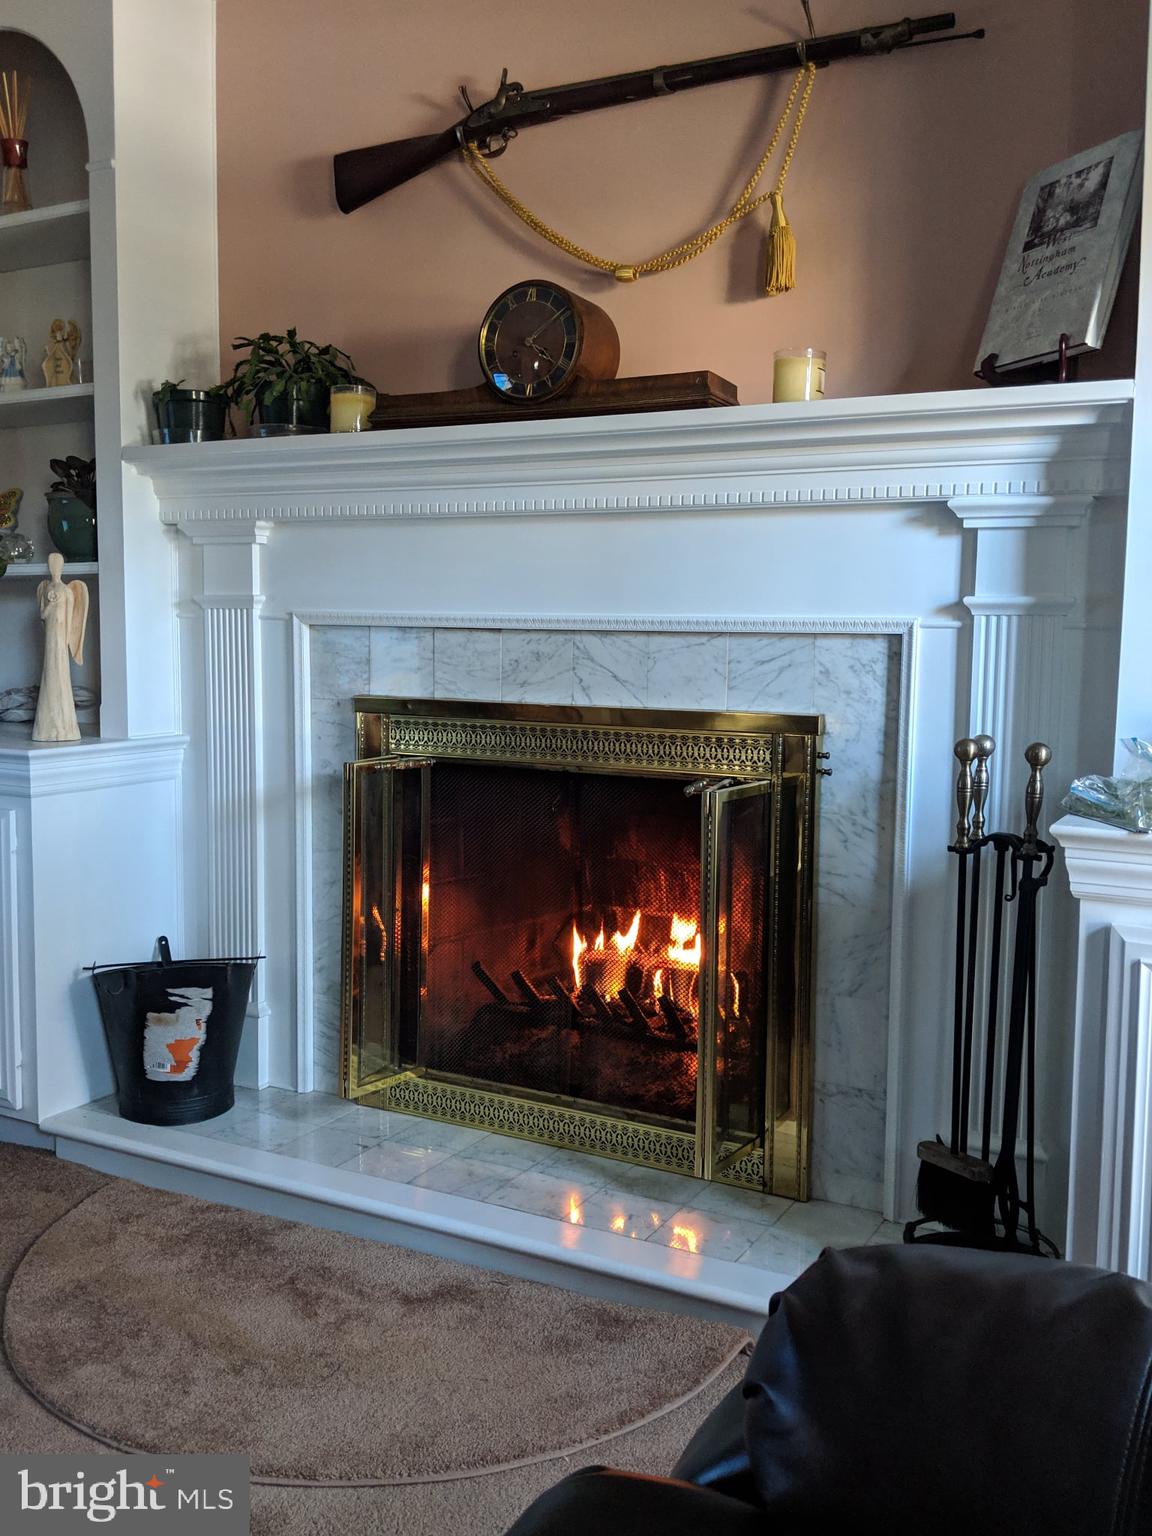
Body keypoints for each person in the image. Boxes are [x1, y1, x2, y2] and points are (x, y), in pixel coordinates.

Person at [32, 552, 89, 742]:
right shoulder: (45, 588)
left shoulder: (67, 590)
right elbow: (42, 615)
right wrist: (50, 604)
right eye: (52, 565)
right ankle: (46, 726)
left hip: (61, 637)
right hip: (50, 636)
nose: (54, 568)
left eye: (57, 565)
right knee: (49, 672)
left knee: (61, 673)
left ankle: (65, 725)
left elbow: (72, 617)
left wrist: (67, 640)